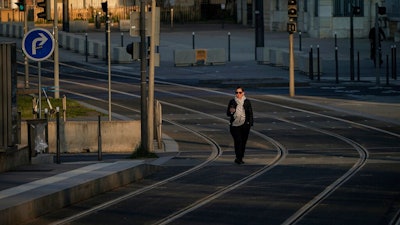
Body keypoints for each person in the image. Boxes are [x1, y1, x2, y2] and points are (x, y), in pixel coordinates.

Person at [226, 86, 253, 164]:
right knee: (238, 141)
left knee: (243, 142)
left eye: (240, 92)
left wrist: (249, 124)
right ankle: (238, 157)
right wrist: (231, 112)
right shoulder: (232, 101)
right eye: (236, 92)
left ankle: (240, 157)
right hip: (234, 125)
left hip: (245, 125)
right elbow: (228, 113)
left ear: (243, 93)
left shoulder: (247, 101)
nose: (238, 94)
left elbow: (250, 113)